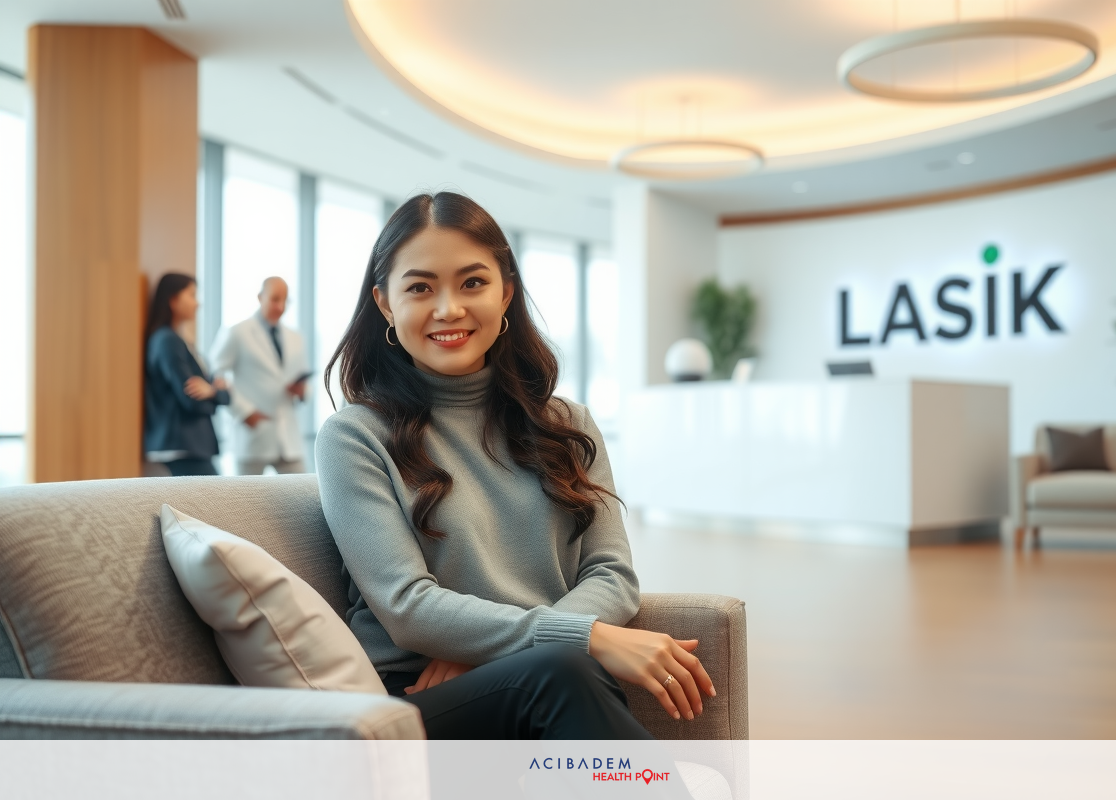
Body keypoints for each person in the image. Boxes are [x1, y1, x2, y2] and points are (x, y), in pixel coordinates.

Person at [316, 193, 716, 741]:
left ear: (506, 292)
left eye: (472, 282)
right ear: (385, 304)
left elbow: (611, 574)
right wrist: (581, 637)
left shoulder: (566, 424)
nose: (448, 308)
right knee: (565, 669)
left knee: (562, 671)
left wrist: (496, 653)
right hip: (419, 702)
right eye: (420, 287)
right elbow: (407, 607)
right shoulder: (355, 436)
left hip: (551, 682)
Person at [209, 277, 311, 475]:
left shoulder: (296, 338)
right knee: (244, 501)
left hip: (288, 437)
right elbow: (216, 374)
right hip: (252, 433)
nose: (280, 307)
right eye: (275, 299)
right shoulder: (237, 332)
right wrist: (243, 412)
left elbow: (304, 377)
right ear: (260, 297)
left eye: (285, 301)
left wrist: (302, 390)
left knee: (303, 494)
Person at [144, 273, 230, 477]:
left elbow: (225, 395)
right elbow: (192, 401)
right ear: (173, 300)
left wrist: (212, 392)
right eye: (192, 295)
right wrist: (216, 393)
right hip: (182, 445)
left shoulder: (179, 340)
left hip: (189, 446)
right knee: (216, 501)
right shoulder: (167, 341)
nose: (197, 303)